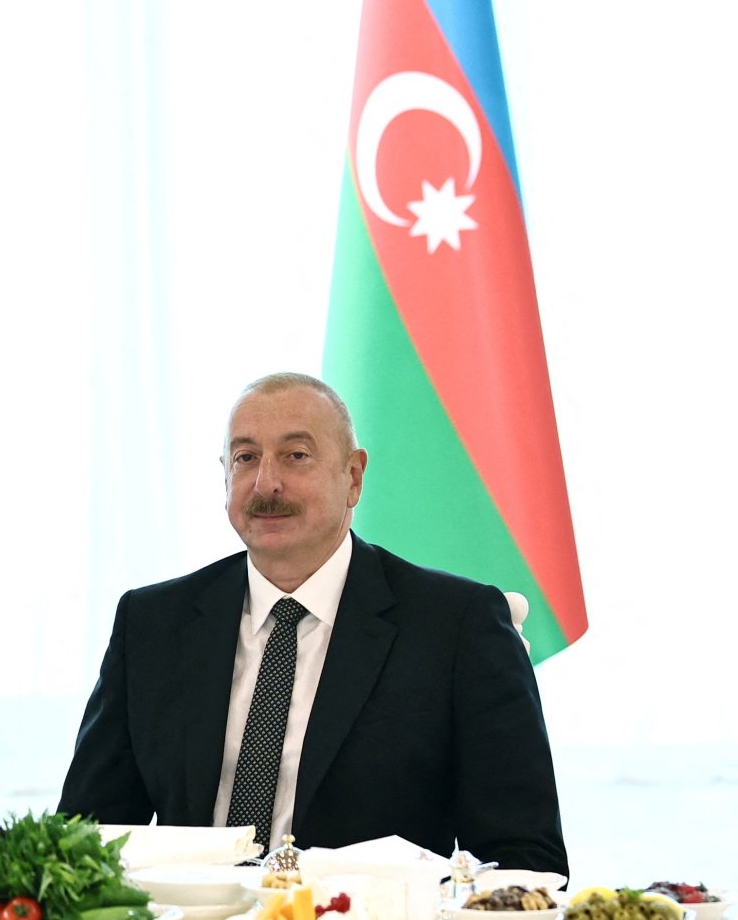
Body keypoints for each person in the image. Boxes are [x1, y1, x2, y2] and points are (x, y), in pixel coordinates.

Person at [57, 373, 567, 875]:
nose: (266, 483)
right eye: (246, 458)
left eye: (296, 456)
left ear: (353, 477)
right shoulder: (152, 624)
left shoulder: (456, 625)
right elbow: (81, 843)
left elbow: (524, 861)